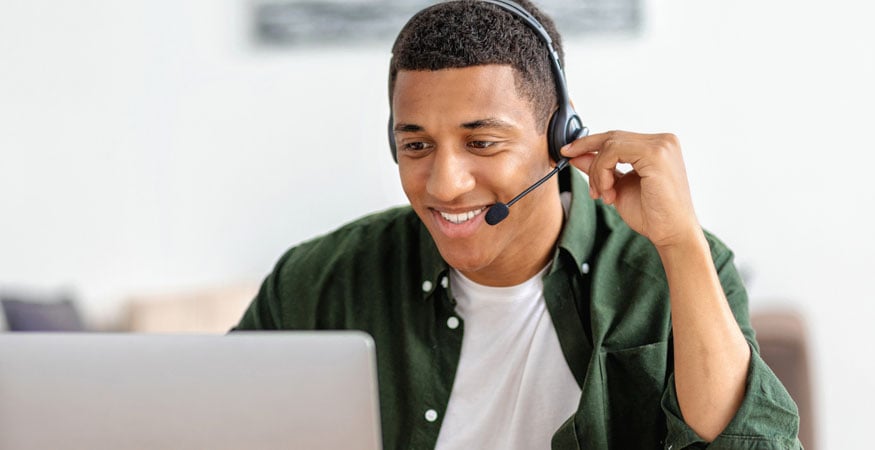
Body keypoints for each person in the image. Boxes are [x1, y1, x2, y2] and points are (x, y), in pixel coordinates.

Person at [233, 1, 801, 448]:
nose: (444, 184)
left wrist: (680, 243)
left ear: (561, 137)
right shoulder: (317, 278)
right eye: (416, 145)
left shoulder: (667, 267)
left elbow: (751, 446)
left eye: (481, 142)